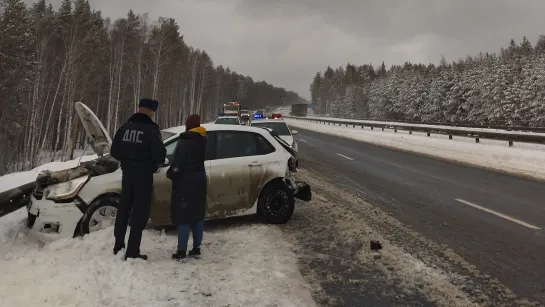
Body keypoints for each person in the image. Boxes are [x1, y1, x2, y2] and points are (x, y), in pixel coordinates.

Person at [110, 98, 166, 260]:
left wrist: (128, 160)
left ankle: (118, 245)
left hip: (127, 175)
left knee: (123, 210)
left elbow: (114, 151)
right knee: (140, 213)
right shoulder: (151, 130)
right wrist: (147, 163)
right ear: (149, 111)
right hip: (143, 177)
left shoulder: (125, 127)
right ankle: (133, 251)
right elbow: (160, 156)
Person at [167, 114, 207, 262]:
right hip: (200, 181)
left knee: (184, 217)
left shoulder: (185, 141)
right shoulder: (203, 138)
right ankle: (196, 248)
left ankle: (181, 251)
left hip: (185, 183)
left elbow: (178, 164)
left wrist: (170, 173)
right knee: (197, 215)